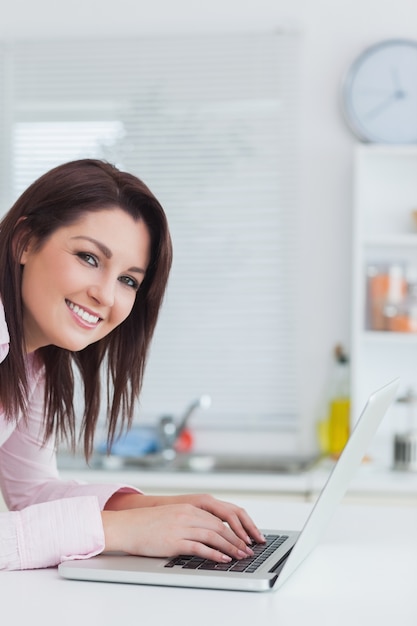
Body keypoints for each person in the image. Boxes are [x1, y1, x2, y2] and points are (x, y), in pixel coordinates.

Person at [0, 158, 264, 570]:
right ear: (24, 242)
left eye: (128, 280)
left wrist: (151, 508)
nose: (106, 295)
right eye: (89, 257)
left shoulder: (32, 360)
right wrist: (117, 530)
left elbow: (31, 491)